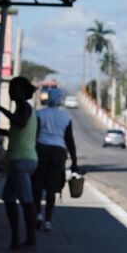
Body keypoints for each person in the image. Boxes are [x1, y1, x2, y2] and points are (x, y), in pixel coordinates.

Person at [0, 76, 38, 250]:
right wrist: (3, 132)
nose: (10, 92)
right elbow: (20, 131)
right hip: (22, 159)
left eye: (13, 89)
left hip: (21, 160)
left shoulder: (24, 107)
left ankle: (30, 238)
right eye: (10, 89)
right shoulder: (22, 109)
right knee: (9, 198)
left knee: (26, 200)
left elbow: (21, 123)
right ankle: (16, 237)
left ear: (23, 92)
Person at [31, 86, 79, 231]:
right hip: (59, 152)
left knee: (37, 184)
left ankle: (38, 214)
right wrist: (75, 162)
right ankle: (48, 221)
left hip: (41, 149)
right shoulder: (66, 117)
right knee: (52, 188)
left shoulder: (39, 114)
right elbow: (69, 140)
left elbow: (34, 134)